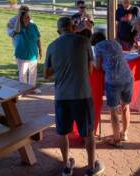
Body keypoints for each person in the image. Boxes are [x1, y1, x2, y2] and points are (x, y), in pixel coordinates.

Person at [44, 17, 104, 176]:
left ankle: (65, 166)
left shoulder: (52, 46)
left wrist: (60, 67)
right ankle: (91, 167)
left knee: (62, 133)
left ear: (59, 30)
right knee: (88, 133)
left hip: (61, 96)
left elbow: (46, 74)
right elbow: (90, 70)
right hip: (82, 95)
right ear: (73, 27)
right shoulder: (84, 42)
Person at [90, 32, 133, 147]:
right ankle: (124, 133)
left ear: (94, 42)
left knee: (113, 110)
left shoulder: (98, 47)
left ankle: (116, 140)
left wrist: (92, 62)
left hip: (113, 80)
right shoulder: (115, 43)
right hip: (128, 77)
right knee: (125, 107)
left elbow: (98, 66)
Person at [14, 9, 42, 94]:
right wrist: (19, 18)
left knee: (33, 72)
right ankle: (23, 90)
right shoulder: (18, 27)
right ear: (21, 18)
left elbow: (38, 38)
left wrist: (40, 49)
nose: (28, 18)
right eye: (26, 17)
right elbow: (16, 31)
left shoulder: (33, 26)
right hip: (22, 54)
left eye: (29, 17)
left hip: (33, 53)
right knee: (23, 73)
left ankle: (32, 88)